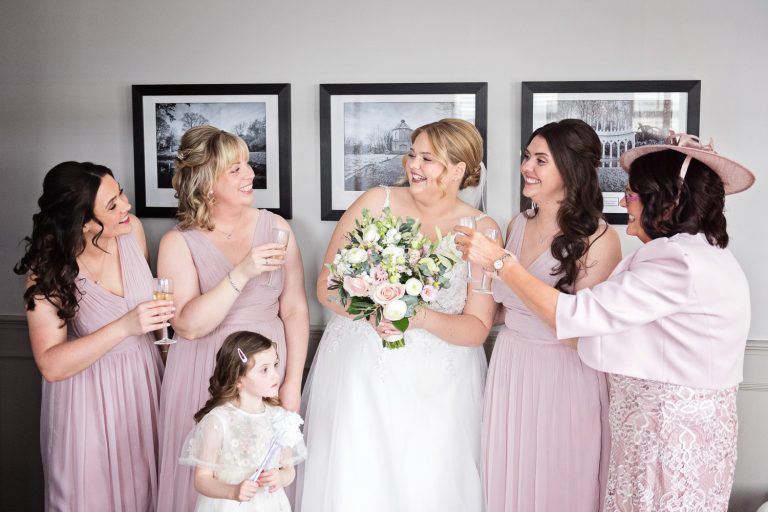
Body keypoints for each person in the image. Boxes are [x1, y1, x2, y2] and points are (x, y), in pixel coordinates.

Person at [457, 132, 755, 512]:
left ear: (667, 201)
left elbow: (580, 319)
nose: (626, 204)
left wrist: (500, 263)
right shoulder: (703, 254)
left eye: (632, 195)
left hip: (666, 434)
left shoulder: (676, 261)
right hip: (681, 430)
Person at [295, 118, 498, 512]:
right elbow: (326, 285)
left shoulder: (482, 231)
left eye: (428, 158)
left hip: (440, 388)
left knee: (428, 483)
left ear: (458, 170)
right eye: (412, 154)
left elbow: (476, 328)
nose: (413, 165)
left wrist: (417, 316)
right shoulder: (376, 201)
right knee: (356, 478)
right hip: (361, 372)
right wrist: (372, 313)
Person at [461, 119, 622, 512]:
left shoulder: (599, 240)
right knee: (509, 475)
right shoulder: (517, 224)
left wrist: (502, 265)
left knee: (560, 480)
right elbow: (503, 309)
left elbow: (577, 333)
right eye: (526, 157)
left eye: (540, 160)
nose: (526, 167)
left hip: (564, 374)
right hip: (511, 367)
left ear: (570, 168)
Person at [157, 126, 309, 511]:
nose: (250, 174)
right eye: (235, 169)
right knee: (208, 478)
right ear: (206, 182)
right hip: (204, 369)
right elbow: (188, 325)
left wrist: (292, 383)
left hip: (265, 373)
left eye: (247, 164)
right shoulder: (178, 241)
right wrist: (241, 272)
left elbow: (294, 309)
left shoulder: (276, 227)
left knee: (265, 477)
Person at [14, 161, 172, 511]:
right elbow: (51, 365)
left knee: (145, 492)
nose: (127, 207)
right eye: (112, 206)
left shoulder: (134, 234)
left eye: (122, 195)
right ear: (83, 222)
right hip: (87, 402)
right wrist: (124, 326)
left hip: (144, 386)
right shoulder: (49, 270)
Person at [180, 330, 306, 512]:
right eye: (265, 370)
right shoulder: (218, 420)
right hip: (229, 505)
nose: (275, 375)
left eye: (275, 365)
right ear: (238, 379)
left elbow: (289, 469)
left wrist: (280, 477)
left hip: (269, 504)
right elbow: (202, 480)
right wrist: (233, 491)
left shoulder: (279, 417)